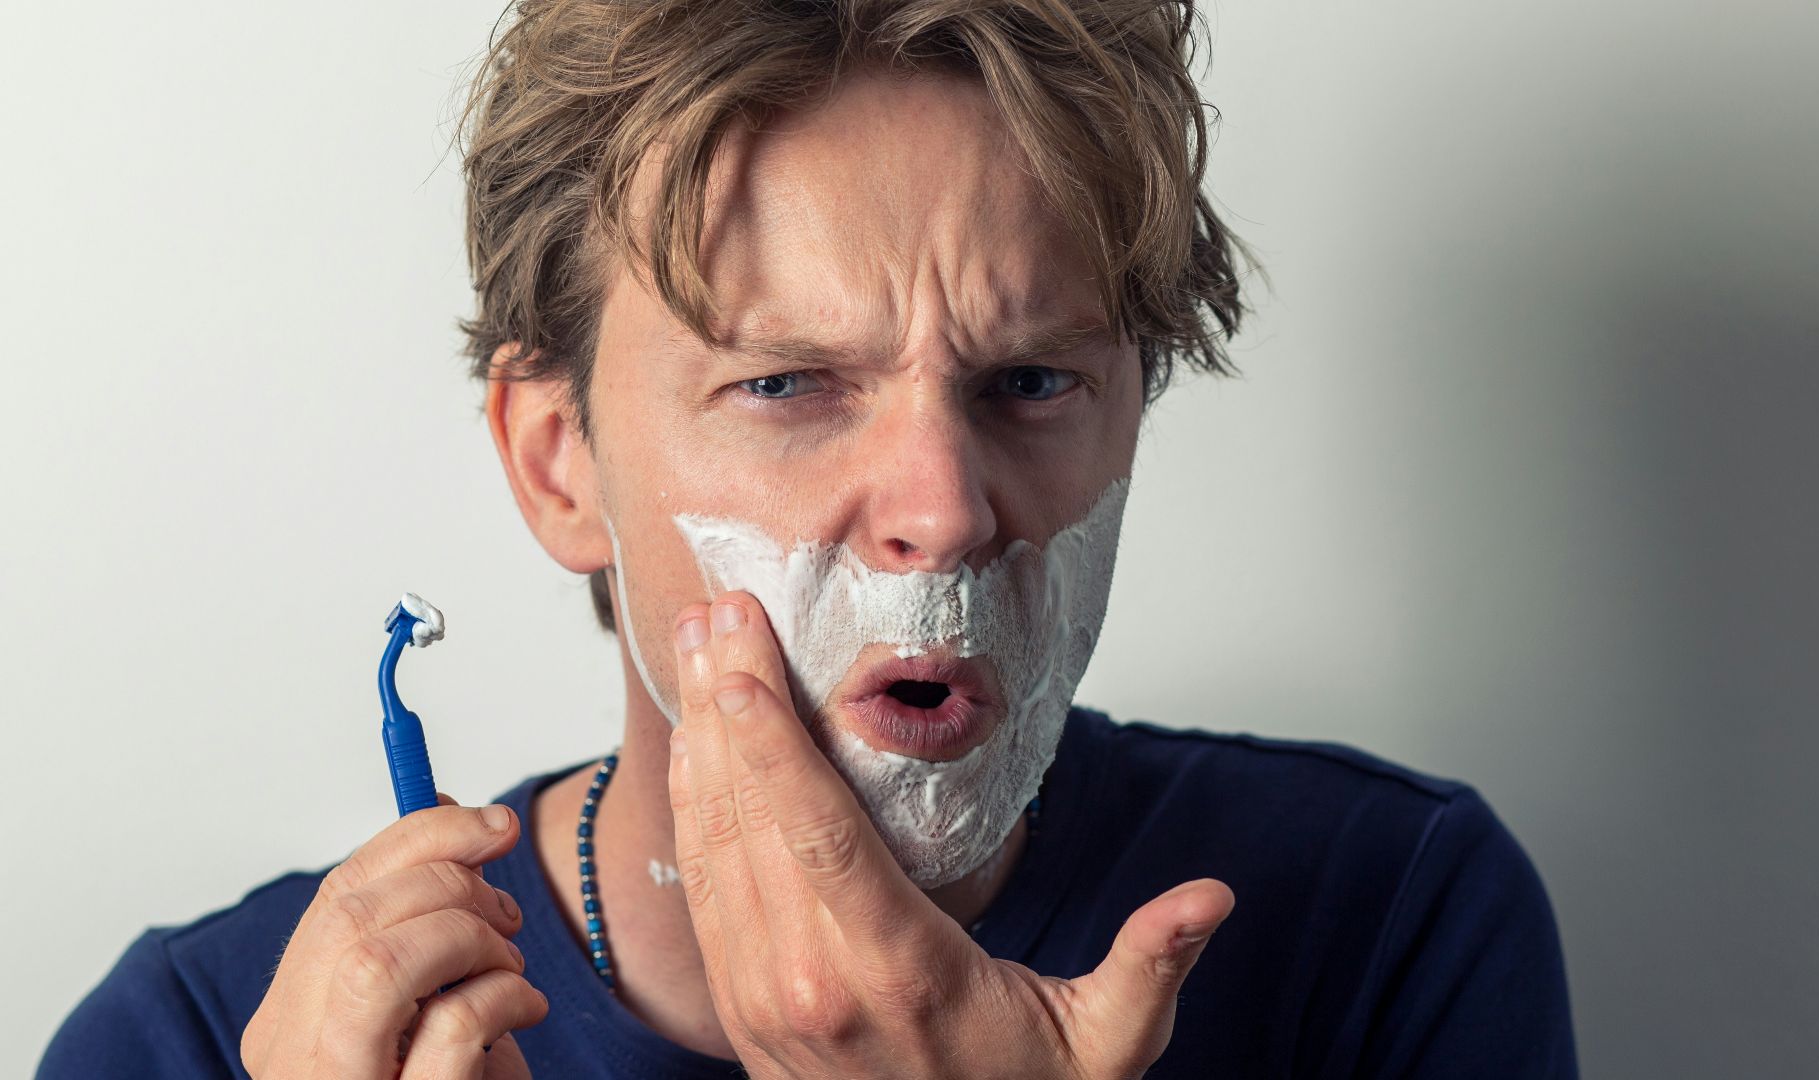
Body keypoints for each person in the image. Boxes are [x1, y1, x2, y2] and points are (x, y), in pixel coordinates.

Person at [38, 1, 1578, 1076]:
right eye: (786, 385)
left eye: (1032, 381)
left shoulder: (1382, 929)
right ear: (559, 463)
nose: (944, 510)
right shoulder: (210, 1041)